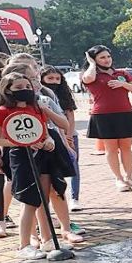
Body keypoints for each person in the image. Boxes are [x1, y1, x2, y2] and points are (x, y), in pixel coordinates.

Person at [0, 72, 71, 260]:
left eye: (27, 87)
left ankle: (48, 239)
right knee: (29, 200)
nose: (25, 91)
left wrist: (48, 140)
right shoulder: (2, 111)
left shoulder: (37, 107)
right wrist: (17, 143)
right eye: (19, 88)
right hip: (20, 156)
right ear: (8, 90)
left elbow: (49, 129)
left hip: (42, 154)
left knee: (43, 199)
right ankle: (24, 244)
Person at [82, 45, 132, 192]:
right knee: (111, 149)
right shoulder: (92, 74)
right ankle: (119, 178)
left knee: (126, 147)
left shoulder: (122, 73)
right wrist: (91, 64)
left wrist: (123, 84)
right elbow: (88, 78)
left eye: (108, 56)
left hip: (125, 113)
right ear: (94, 59)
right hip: (103, 116)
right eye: (102, 57)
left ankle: (129, 176)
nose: (106, 60)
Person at [41, 66, 82, 215]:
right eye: (50, 78)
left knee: (73, 166)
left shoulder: (64, 94)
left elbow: (70, 116)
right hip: (54, 136)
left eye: (57, 78)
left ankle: (74, 198)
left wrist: (69, 136)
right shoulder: (43, 95)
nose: (54, 82)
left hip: (70, 134)